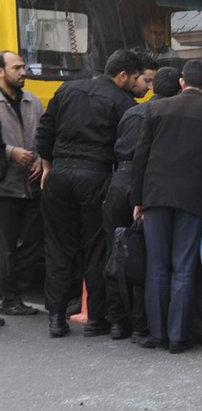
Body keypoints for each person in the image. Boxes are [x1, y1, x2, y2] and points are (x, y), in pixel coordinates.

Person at [35, 49, 143, 338]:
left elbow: (44, 131)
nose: (137, 84)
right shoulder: (123, 103)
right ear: (122, 76)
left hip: (59, 174)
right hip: (96, 176)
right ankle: (96, 318)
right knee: (97, 247)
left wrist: (48, 164)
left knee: (58, 247)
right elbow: (127, 146)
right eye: (135, 78)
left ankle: (56, 318)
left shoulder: (67, 89)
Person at [131, 60, 202, 353]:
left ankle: (158, 333)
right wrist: (201, 184)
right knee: (184, 267)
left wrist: (138, 199)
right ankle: (177, 337)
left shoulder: (155, 109)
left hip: (156, 195)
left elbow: (141, 157)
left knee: (156, 266)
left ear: (182, 82)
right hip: (192, 197)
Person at [103, 67, 182, 341]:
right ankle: (140, 324)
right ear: (180, 88)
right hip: (146, 184)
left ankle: (116, 322)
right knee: (144, 254)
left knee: (116, 251)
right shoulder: (168, 115)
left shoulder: (131, 112)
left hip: (118, 181)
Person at [0, 51, 44, 316]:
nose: (23, 71)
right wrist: (9, 151)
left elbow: (43, 137)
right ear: (1, 72)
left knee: (31, 244)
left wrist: (41, 159)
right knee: (5, 246)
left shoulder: (33, 102)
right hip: (5, 186)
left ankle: (15, 292)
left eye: (24, 66)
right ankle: (10, 298)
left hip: (31, 184)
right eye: (16, 67)